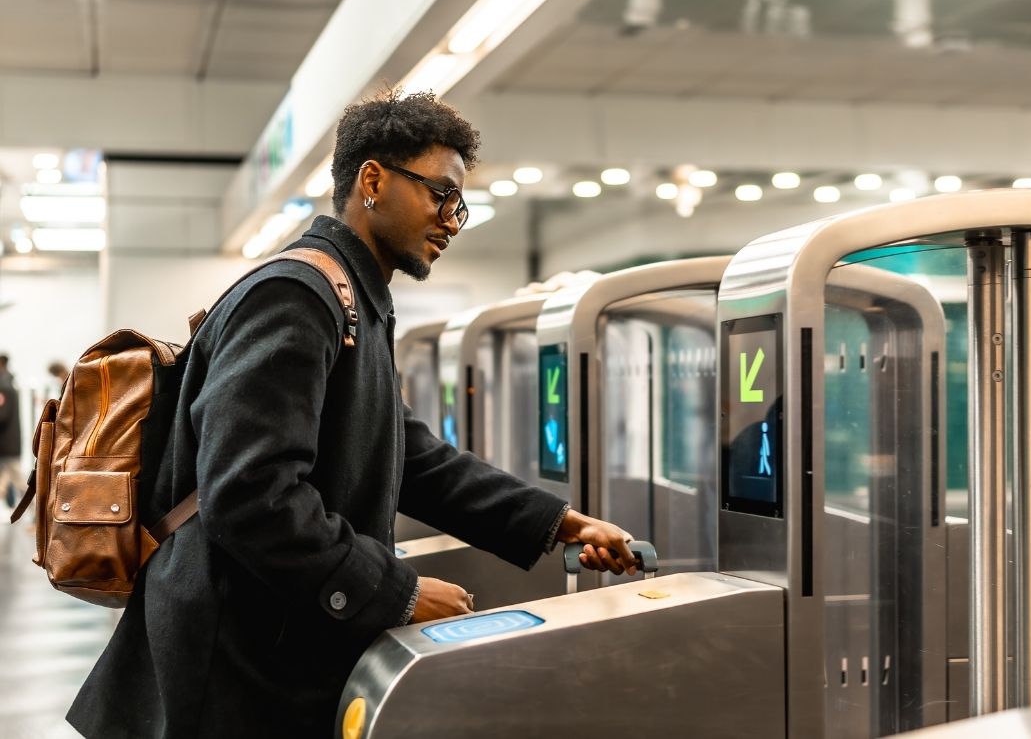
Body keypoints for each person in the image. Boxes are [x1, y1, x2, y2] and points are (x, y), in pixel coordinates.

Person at [67, 90, 638, 739]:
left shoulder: (351, 300)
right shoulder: (296, 296)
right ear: (373, 181)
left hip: (269, 641)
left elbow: (409, 453)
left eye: (462, 204)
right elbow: (251, 493)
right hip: (231, 661)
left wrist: (555, 523)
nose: (453, 219)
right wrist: (392, 592)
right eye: (440, 194)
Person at [0, 354, 22, 511]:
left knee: (18, 480)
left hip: (6, 442)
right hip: (10, 441)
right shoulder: (8, 384)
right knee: (7, 478)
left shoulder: (4, 388)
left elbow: (2, 415)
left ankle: (39, 514)